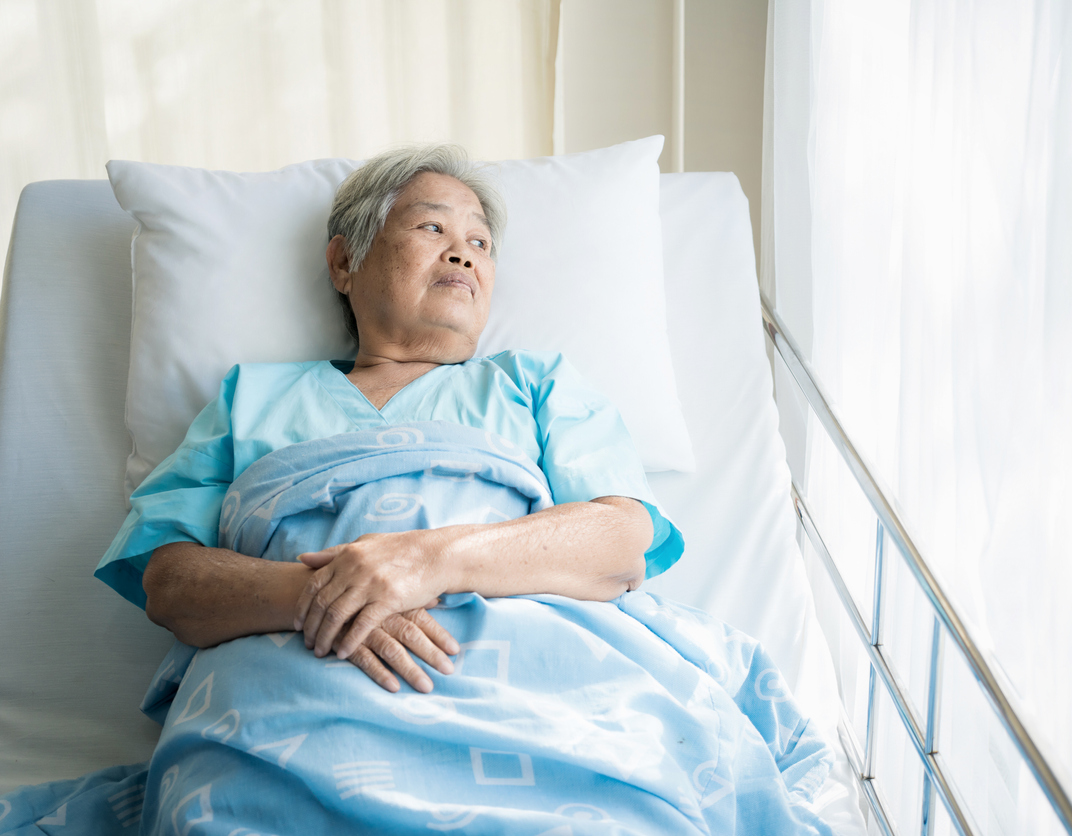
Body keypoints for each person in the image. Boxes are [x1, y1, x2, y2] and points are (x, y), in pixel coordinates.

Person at [94, 144, 683, 695]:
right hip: (299, 681)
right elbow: (170, 582)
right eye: (432, 227)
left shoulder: (534, 384)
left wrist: (431, 561)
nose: (463, 253)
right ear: (345, 261)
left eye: (481, 243)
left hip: (520, 680)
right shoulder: (252, 398)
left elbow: (620, 541)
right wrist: (327, 595)